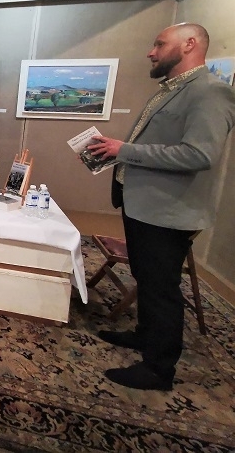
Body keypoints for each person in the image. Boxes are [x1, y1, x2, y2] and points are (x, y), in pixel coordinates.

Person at [87, 23, 235, 391]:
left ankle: (158, 369)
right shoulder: (173, 89)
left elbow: (199, 154)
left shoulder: (210, 92)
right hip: (144, 206)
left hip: (167, 211)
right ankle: (145, 335)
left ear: (189, 44)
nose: (151, 52)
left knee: (161, 289)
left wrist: (125, 150)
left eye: (159, 44)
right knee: (147, 279)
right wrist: (118, 151)